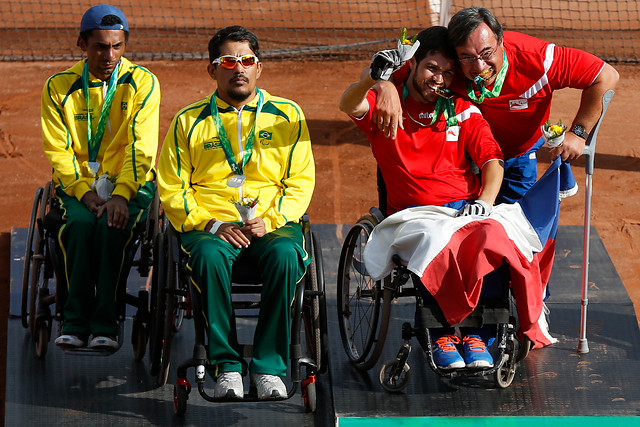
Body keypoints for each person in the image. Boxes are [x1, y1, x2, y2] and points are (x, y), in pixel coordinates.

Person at [157, 26, 315, 400]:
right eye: (228, 61)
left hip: (271, 224)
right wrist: (211, 223)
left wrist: (272, 220)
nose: (238, 68)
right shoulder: (188, 120)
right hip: (210, 226)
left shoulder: (287, 115)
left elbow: (301, 181)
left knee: (287, 255)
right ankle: (226, 366)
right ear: (212, 70)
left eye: (246, 60)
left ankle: (269, 367)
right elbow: (171, 186)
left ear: (258, 68)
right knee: (209, 258)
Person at [339, 26, 504, 369]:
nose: (439, 78)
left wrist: (486, 202)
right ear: (412, 64)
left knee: (494, 237)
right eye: (432, 68)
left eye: (447, 72)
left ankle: (478, 334)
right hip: (413, 218)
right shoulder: (386, 108)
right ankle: (441, 333)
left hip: (464, 211)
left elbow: (492, 161)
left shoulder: (462, 109)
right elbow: (349, 103)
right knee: (434, 241)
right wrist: (375, 80)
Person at [374, 6, 619, 204]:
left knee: (514, 232)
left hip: (517, 157)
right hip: (462, 162)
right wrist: (385, 85)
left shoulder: (537, 59)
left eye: (486, 53)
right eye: (467, 57)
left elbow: (606, 76)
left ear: (501, 40)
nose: (479, 66)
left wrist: (579, 132)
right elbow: (380, 70)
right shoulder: (449, 65)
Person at [42, 4, 160, 350]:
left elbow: (142, 146)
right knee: (79, 227)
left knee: (112, 228)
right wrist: (83, 192)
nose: (109, 55)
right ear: (82, 44)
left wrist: (121, 194)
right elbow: (58, 151)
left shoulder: (143, 83)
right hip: (76, 186)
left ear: (124, 44)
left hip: (130, 185)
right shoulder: (58, 87)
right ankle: (74, 321)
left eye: (117, 46)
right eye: (99, 46)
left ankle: (106, 323)